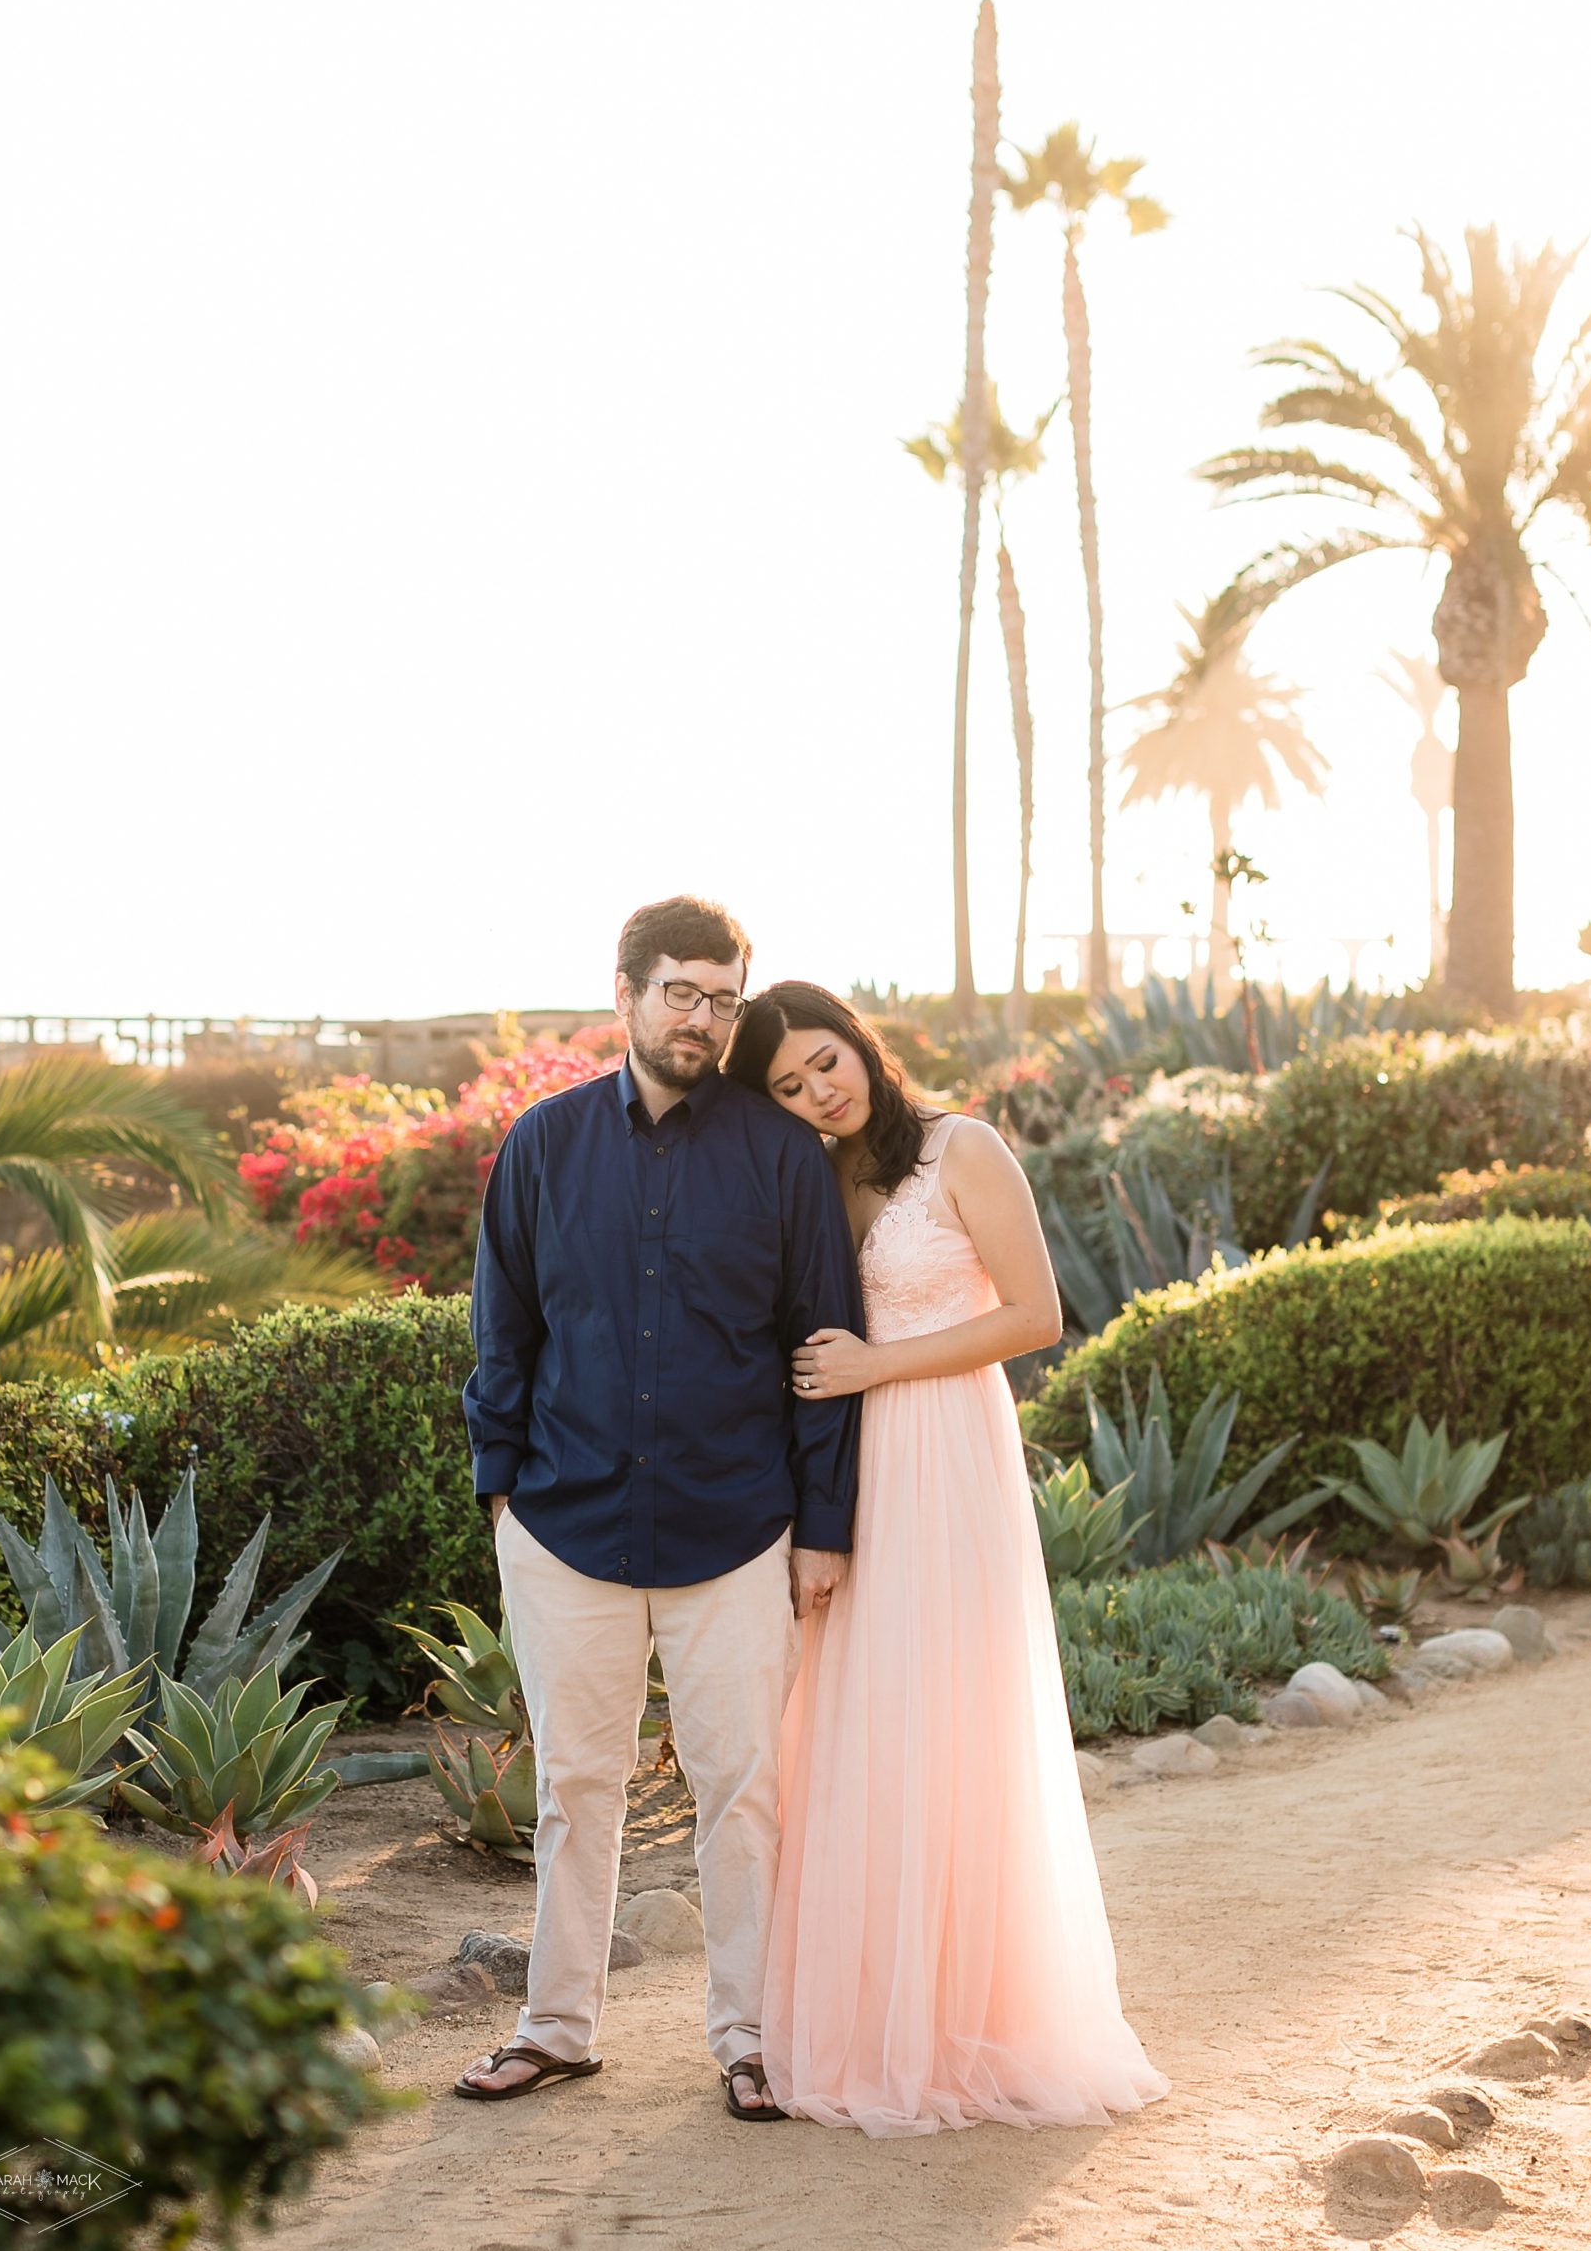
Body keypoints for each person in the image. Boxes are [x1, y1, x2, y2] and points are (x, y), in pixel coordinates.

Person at [726, 981, 1171, 2138]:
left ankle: (972, 2018)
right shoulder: (810, 1178)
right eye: (787, 1085)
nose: (817, 1091)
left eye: (825, 1062)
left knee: (952, 1721)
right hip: (848, 1471)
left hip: (948, 1456)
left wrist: (883, 1362)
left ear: (859, 1044)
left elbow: (1036, 1314)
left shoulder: (957, 1148)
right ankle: (866, 2017)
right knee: (853, 1723)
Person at [455, 900, 866, 2121]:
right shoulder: (541, 1145)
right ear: (627, 992)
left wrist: (824, 1527)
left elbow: (820, 1349)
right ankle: (556, 2027)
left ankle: (749, 2037)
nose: (703, 1018)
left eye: (723, 999)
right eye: (682, 993)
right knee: (576, 1789)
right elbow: (503, 1336)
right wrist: (502, 1503)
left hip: (735, 1531)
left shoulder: (782, 1158)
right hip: (563, 1527)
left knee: (742, 1793)